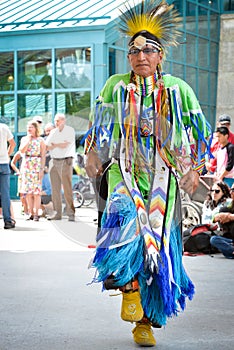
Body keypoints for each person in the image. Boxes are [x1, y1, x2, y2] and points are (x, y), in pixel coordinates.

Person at [84, 1, 211, 347]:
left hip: (163, 181)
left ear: (159, 56)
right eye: (134, 50)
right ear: (128, 57)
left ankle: (146, 322)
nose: (141, 55)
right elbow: (97, 126)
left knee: (159, 249)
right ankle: (129, 288)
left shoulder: (177, 89)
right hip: (123, 175)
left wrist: (195, 170)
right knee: (124, 232)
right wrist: (92, 154)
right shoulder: (114, 86)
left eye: (148, 50)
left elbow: (201, 131)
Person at [45, 113, 76, 221]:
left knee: (67, 188)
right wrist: (58, 144)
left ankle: (70, 213)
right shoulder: (53, 132)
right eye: (55, 121)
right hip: (54, 161)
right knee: (55, 189)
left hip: (65, 161)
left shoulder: (70, 130)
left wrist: (55, 144)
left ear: (64, 120)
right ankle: (57, 213)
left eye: (58, 120)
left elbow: (66, 145)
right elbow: (47, 147)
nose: (56, 123)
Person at [19, 121, 46, 221]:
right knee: (28, 192)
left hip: (37, 164)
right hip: (27, 165)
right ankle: (30, 212)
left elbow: (43, 155)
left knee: (36, 192)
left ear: (35, 128)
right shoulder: (24, 139)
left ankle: (36, 213)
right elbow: (21, 151)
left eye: (31, 127)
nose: (29, 129)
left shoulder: (41, 140)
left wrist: (42, 169)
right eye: (28, 127)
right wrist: (28, 140)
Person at [211, 184, 234, 258]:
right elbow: (214, 217)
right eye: (231, 190)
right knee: (214, 239)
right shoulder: (229, 206)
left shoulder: (226, 201)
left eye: (217, 191)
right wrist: (217, 217)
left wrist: (230, 217)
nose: (214, 193)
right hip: (229, 240)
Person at [0, 122, 16, 229]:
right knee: (5, 193)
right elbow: (13, 144)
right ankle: (8, 221)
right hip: (3, 163)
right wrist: (7, 154)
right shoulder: (4, 127)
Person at [11, 150, 29, 216]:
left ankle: (28, 209)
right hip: (22, 175)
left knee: (29, 193)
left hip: (30, 174)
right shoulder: (20, 153)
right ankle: (25, 209)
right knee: (22, 193)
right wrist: (18, 171)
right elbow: (12, 163)